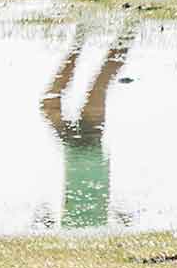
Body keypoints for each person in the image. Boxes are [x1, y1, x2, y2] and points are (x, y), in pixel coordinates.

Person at [40, 30, 132, 229]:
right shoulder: (75, 232)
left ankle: (121, 32)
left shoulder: (90, 231)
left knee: (99, 83)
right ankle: (91, 38)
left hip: (88, 159)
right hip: (83, 157)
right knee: (97, 84)